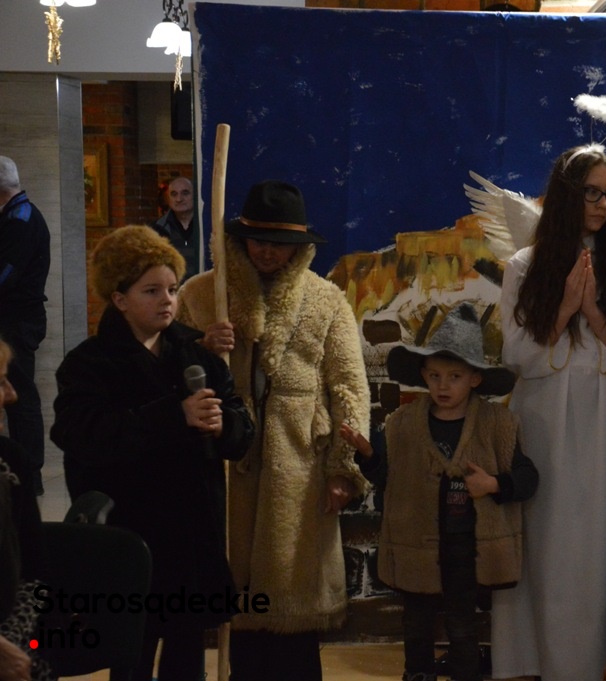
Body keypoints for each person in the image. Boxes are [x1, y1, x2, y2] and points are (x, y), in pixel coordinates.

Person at [176, 180, 371, 680]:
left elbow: (348, 385)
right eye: (258, 239)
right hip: (227, 466)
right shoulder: (201, 294)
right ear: (240, 239)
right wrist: (202, 346)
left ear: (299, 246)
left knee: (294, 602)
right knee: (238, 602)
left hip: (300, 465)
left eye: (279, 242)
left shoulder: (326, 301)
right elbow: (168, 370)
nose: (267, 251)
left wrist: (342, 469)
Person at [489, 145, 606, 681]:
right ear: (567, 195)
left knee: (604, 536)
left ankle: (598, 663)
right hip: (544, 417)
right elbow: (517, 356)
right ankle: (539, 661)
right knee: (547, 538)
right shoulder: (525, 265)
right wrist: (565, 305)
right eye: (591, 193)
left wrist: (592, 309)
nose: (603, 204)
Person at [50, 226, 254, 681]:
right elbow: (82, 434)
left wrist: (226, 425)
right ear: (119, 299)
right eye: (151, 291)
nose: (167, 300)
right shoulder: (89, 364)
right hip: (131, 538)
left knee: (186, 659)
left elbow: (242, 430)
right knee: (132, 657)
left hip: (190, 538)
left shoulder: (196, 357)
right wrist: (171, 415)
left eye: (173, 289)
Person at [339, 302, 539, 681]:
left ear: (475, 379)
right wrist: (367, 453)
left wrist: (493, 484)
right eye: (434, 376)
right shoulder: (402, 424)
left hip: (467, 549)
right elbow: (387, 478)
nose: (442, 386)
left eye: (454, 377)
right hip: (417, 545)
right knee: (416, 626)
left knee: (463, 627)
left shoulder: (497, 424)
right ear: (423, 376)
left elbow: (528, 478)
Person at [0, 337, 52, 681]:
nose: (12, 394)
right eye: (0, 382)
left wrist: (13, 640)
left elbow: (34, 572)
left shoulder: (10, 461)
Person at [0, 156, 50, 496]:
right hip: (14, 317)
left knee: (20, 397)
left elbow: (5, 273)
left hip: (17, 320)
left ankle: (29, 475)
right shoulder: (15, 215)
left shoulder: (21, 219)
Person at [150, 176, 199, 280]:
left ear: (195, 195)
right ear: (168, 198)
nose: (179, 199)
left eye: (185, 193)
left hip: (202, 288)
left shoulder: (208, 227)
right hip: (172, 288)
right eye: (174, 194)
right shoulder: (156, 230)